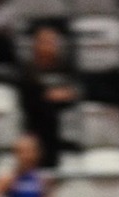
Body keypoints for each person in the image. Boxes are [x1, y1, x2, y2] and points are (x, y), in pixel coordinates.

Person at [15, 25, 79, 169]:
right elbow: (30, 99)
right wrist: (50, 96)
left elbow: (74, 93)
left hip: (65, 129)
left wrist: (48, 95)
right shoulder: (27, 71)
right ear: (35, 44)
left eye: (52, 41)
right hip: (37, 129)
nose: (48, 46)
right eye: (44, 41)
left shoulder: (66, 68)